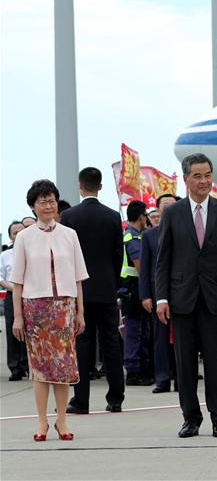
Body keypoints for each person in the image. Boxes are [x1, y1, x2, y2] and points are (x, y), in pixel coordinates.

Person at [156, 153, 217, 438]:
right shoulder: (172, 212)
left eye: (208, 175)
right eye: (198, 176)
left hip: (216, 299)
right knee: (185, 364)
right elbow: (163, 259)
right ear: (186, 179)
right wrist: (161, 298)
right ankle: (190, 418)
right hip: (181, 300)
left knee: (216, 363)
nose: (204, 181)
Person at [11, 179, 89, 441]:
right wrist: (18, 317)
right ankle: (42, 421)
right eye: (42, 201)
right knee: (41, 369)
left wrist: (80, 312)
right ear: (33, 206)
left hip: (65, 308)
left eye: (52, 200)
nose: (48, 205)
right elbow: (17, 281)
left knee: (64, 367)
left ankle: (62, 421)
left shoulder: (70, 234)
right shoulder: (24, 237)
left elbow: (78, 277)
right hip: (36, 309)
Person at [60, 167, 125, 415]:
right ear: (100, 186)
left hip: (80, 291)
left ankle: (81, 401)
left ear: (80, 186)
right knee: (111, 344)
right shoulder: (111, 216)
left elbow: (66, 257)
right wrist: (111, 280)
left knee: (82, 346)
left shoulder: (69, 217)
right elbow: (118, 254)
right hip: (107, 289)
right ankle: (116, 398)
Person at [140, 193, 179, 393]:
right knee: (160, 338)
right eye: (165, 204)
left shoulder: (185, 230)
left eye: (173, 204)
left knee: (182, 337)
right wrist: (145, 295)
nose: (169, 207)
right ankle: (162, 379)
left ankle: (181, 379)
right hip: (158, 294)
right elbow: (144, 269)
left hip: (182, 292)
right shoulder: (148, 236)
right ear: (158, 209)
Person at [121, 200, 152, 386]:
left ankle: (139, 367)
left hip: (133, 288)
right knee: (134, 331)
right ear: (141, 216)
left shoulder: (134, 235)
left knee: (140, 330)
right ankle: (133, 371)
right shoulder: (132, 238)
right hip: (133, 289)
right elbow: (140, 267)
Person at [2, 221, 29, 380]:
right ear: (10, 236)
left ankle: (29, 364)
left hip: (30, 295)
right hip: (12, 295)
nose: (18, 235)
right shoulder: (5, 255)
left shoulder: (33, 251)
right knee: (13, 330)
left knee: (30, 331)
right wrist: (14, 288)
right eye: (15, 233)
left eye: (21, 231)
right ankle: (15, 367)